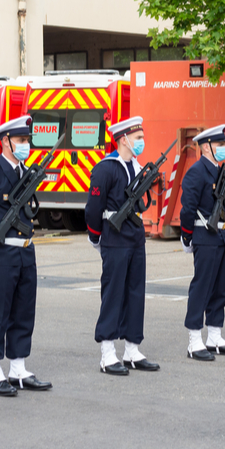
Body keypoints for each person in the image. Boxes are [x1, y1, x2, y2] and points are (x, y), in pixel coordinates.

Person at [0, 115, 52, 396]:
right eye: (21, 140)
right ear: (5, 142)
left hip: (26, 252)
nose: (26, 145)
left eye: (27, 140)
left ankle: (18, 369)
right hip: (0, 252)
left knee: (23, 312)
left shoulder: (25, 174)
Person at [85, 116, 159, 375]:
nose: (141, 142)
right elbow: (94, 207)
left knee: (136, 293)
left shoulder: (138, 168)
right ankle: (107, 353)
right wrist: (96, 237)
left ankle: (132, 349)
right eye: (137, 138)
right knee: (113, 293)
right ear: (123, 139)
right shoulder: (106, 168)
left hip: (135, 236)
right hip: (114, 238)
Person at [179, 124, 225, 361]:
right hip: (204, 237)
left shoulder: (220, 171)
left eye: (224, 145)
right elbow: (188, 210)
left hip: (222, 236)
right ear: (206, 147)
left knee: (221, 288)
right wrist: (187, 237)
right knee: (202, 288)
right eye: (219, 145)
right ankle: (195, 340)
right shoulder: (197, 172)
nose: (223, 148)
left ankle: (214, 336)